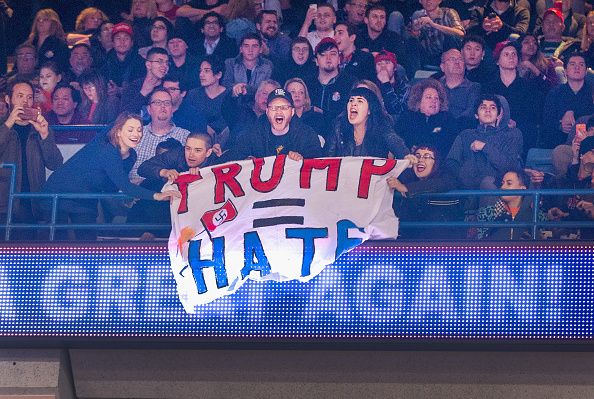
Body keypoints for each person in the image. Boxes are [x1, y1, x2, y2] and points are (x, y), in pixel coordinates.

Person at [41, 113, 179, 240]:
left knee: (87, 242)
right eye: (130, 130)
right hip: (59, 193)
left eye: (139, 130)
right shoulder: (107, 149)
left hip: (86, 198)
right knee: (58, 242)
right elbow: (125, 187)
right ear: (118, 132)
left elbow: (113, 187)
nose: (136, 134)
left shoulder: (132, 156)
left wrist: (131, 186)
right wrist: (158, 195)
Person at [0, 79, 63, 226]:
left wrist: (45, 135)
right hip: (3, 204)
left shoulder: (39, 128)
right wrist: (8, 124)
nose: (25, 102)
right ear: (8, 99)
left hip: (32, 203)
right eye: (20, 96)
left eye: (29, 97)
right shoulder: (3, 125)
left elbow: (55, 164)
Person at [446, 94, 523, 189]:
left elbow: (510, 166)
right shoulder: (465, 135)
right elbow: (451, 162)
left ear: (499, 115)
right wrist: (464, 178)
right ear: (476, 115)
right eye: (483, 107)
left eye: (493, 107)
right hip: (467, 188)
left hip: (498, 189)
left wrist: (485, 147)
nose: (488, 110)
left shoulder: (510, 135)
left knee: (487, 183)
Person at [223, 88, 324, 161]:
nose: (279, 112)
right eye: (274, 108)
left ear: (292, 112)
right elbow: (230, 160)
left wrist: (303, 161)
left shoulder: (307, 135)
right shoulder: (252, 134)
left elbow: (320, 168)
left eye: (284, 107)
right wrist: (245, 162)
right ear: (267, 112)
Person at [388, 145, 462, 239]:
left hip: (442, 241)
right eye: (417, 156)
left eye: (427, 156)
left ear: (436, 162)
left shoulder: (446, 175)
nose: (420, 160)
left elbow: (443, 183)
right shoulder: (408, 176)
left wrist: (406, 188)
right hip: (409, 242)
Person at [483, 40, 542, 153]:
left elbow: (534, 115)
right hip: (494, 130)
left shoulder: (529, 87)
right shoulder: (488, 88)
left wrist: (517, 123)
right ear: (497, 61)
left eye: (514, 54)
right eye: (506, 54)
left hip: (522, 132)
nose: (511, 57)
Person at [326, 86, 409, 158]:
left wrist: (407, 156)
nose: (353, 104)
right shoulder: (339, 126)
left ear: (369, 110)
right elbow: (327, 158)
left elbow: (396, 144)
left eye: (360, 101)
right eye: (351, 100)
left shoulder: (381, 127)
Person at [129, 87, 191, 184]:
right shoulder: (135, 134)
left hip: (171, 193)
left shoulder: (186, 136)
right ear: (149, 109)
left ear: (172, 109)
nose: (163, 106)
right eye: (158, 102)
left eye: (167, 103)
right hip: (134, 193)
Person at [542, 53, 594, 151]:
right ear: (565, 71)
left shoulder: (592, 93)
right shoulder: (554, 93)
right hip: (559, 144)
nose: (577, 67)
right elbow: (546, 122)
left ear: (586, 71)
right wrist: (560, 125)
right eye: (572, 64)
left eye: (581, 64)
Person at [395, 78, 459, 157]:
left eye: (436, 98)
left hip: (438, 162)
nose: (434, 101)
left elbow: (450, 146)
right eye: (429, 97)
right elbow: (398, 141)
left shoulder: (448, 119)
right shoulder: (406, 117)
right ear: (418, 101)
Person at [475, 169, 544, 240]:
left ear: (522, 188)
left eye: (509, 183)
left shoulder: (535, 214)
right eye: (502, 183)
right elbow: (482, 244)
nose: (503, 187)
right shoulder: (486, 213)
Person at [304, 37, 358, 126]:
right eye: (323, 54)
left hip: (340, 134)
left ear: (339, 59)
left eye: (333, 54)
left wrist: (322, 113)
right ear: (316, 61)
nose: (328, 58)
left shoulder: (350, 83)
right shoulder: (306, 83)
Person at [407, 0, 465, 70]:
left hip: (447, 51)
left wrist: (433, 25)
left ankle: (449, 68)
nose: (428, 1)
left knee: (451, 36)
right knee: (412, 41)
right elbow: (414, 38)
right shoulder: (418, 15)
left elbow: (460, 33)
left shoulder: (449, 12)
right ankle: (415, 74)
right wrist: (415, 30)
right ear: (420, 1)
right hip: (429, 55)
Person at [185, 56, 229, 137]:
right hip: (198, 138)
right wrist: (204, 127)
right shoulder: (193, 94)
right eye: (200, 71)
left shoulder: (229, 95)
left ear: (218, 75)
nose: (201, 75)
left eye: (206, 71)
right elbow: (188, 118)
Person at [120, 47, 170, 113]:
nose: (164, 66)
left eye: (167, 63)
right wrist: (143, 93)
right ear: (148, 65)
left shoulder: (168, 86)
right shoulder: (134, 86)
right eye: (160, 62)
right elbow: (123, 115)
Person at [439, 48, 481, 125]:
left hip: (461, 128)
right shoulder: (434, 87)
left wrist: (451, 124)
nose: (457, 62)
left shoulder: (474, 88)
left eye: (460, 60)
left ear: (465, 67)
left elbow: (470, 113)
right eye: (452, 59)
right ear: (442, 67)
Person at [100, 22, 146, 92]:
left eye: (126, 38)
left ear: (132, 43)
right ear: (113, 43)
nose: (122, 41)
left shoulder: (142, 64)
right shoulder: (105, 64)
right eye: (118, 38)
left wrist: (120, 90)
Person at [374, 50, 410, 122]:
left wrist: (386, 84)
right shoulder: (371, 87)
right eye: (379, 64)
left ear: (395, 68)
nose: (383, 67)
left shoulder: (405, 88)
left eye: (387, 63)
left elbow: (397, 112)